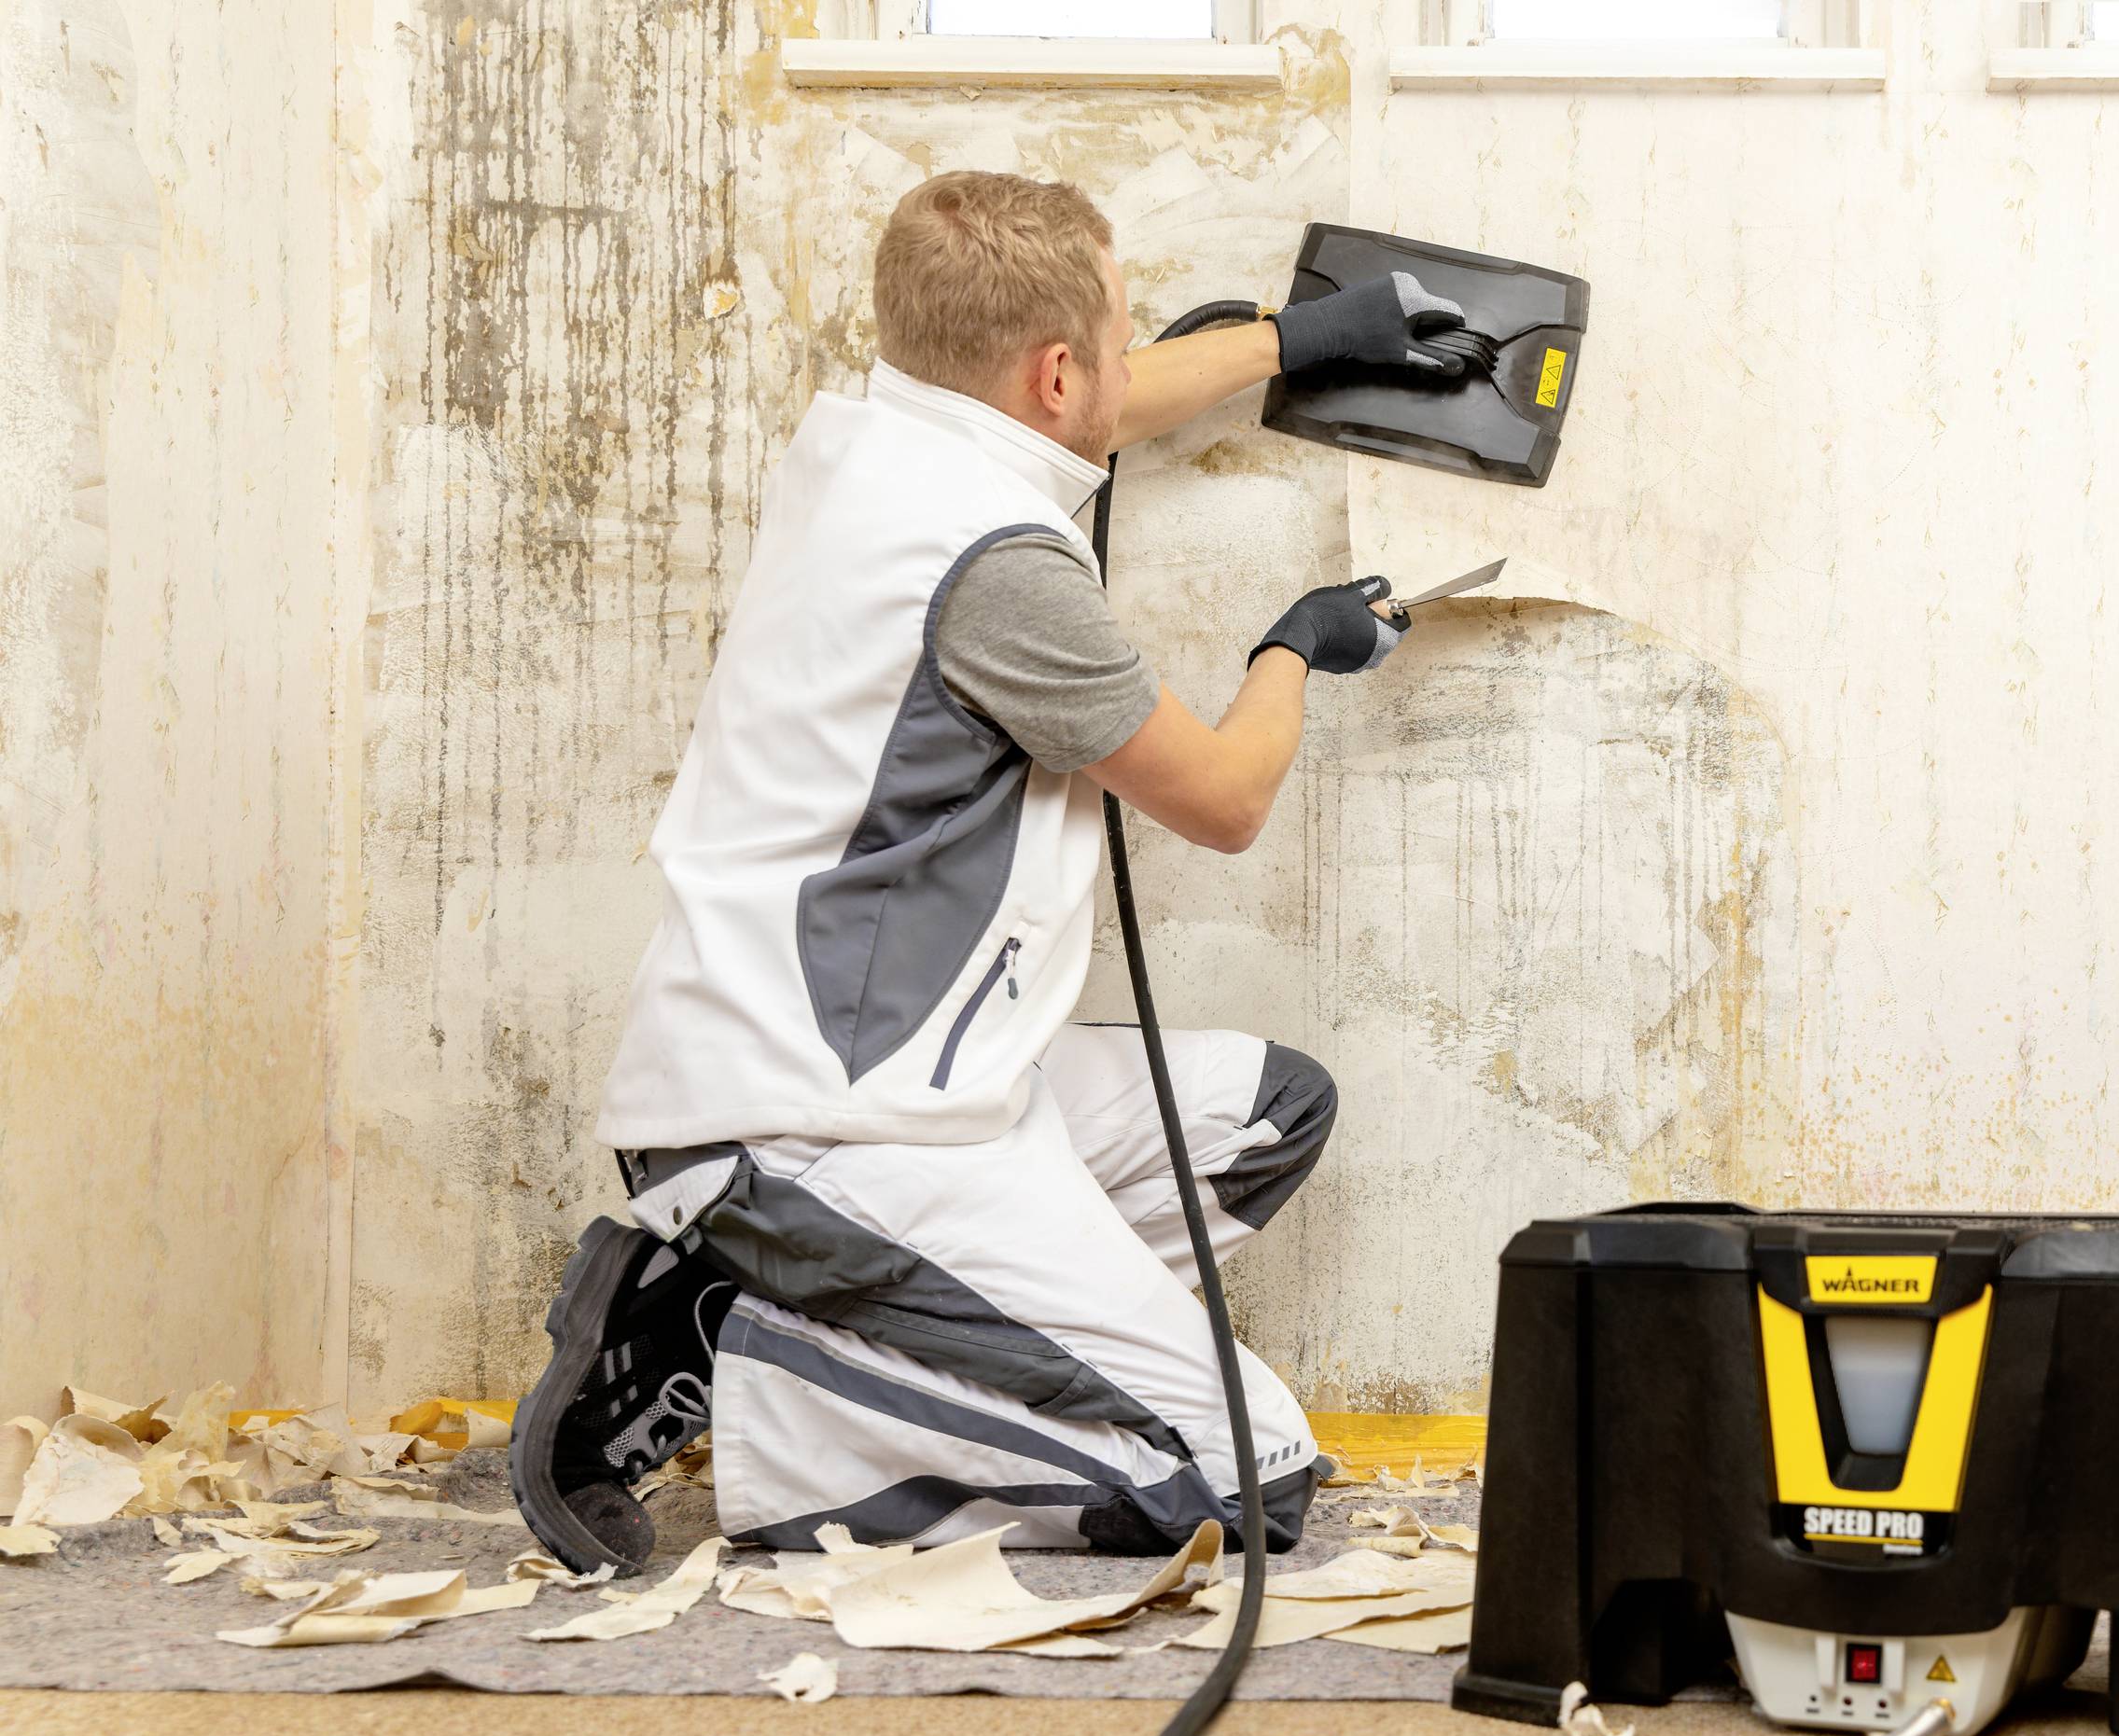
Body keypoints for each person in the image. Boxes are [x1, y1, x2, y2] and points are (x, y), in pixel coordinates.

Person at [508, 171, 1470, 1576]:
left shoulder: (873, 442)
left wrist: (1300, 340)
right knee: (1240, 1478)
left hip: (887, 1079)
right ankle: (759, 1365)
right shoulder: (1001, 567)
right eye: (1116, 339)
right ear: (1054, 369)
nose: (1130, 368)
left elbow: (1106, 402)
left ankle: (779, 1303)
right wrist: (1294, 651)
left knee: (1265, 1116)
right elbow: (1223, 799)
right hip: (825, 1120)